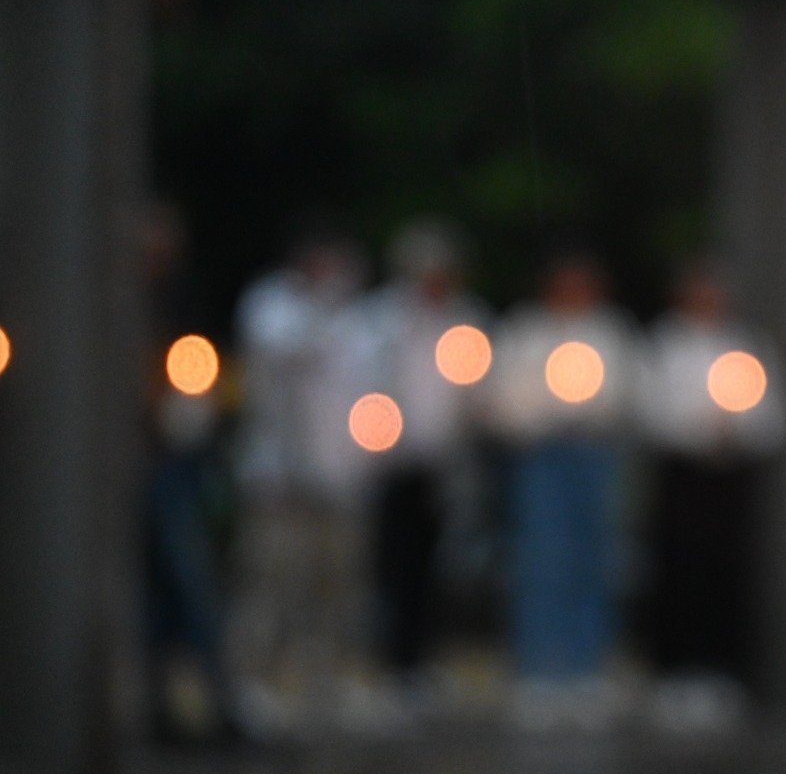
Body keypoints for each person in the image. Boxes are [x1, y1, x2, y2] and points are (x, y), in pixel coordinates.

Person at [483, 255, 638, 729]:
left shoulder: (610, 331)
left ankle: (586, 669)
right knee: (542, 558)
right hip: (541, 458)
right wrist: (543, 415)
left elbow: (628, 389)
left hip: (593, 454)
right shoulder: (524, 331)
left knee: (593, 559)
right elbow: (502, 397)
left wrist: (590, 413)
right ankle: (539, 671)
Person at [231, 224, 372, 734]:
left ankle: (329, 685)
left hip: (337, 478)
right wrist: (323, 305)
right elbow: (285, 353)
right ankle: (255, 681)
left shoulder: (355, 319)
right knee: (272, 582)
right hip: (280, 477)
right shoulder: (272, 304)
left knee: (337, 586)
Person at [636, 260, 786, 727]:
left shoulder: (745, 345)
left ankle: (722, 673)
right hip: (682, 477)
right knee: (680, 570)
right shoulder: (662, 345)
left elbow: (773, 417)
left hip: (731, 478)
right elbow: (647, 408)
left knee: (727, 572)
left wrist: (736, 433)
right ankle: (676, 674)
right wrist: (696, 432)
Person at [357, 219, 487, 692]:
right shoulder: (381, 322)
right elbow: (363, 385)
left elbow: (474, 394)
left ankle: (422, 660)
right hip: (390, 464)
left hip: (444, 465)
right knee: (393, 565)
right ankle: (392, 662)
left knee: (437, 566)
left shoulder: (465, 321)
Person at [139, 204, 244, 744]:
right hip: (134, 466)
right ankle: (159, 710)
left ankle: (219, 704)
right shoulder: (116, 303)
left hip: (179, 463)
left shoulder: (183, 301)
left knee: (193, 581)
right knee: (156, 591)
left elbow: (206, 376)